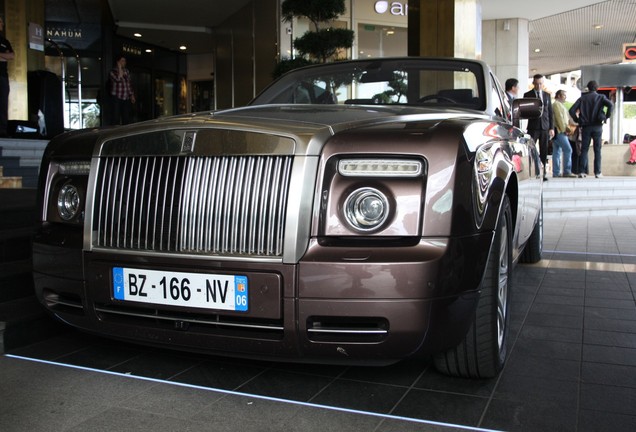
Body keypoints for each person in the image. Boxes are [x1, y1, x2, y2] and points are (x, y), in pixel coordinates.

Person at [569, 80, 613, 178]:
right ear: (597, 88)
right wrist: (606, 116)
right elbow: (610, 105)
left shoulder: (582, 98)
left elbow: (571, 110)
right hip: (597, 126)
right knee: (597, 150)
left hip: (585, 127)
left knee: (584, 149)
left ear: (588, 88)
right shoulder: (601, 97)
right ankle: (597, 172)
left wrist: (577, 120)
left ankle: (581, 171)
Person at [524, 74, 554, 181]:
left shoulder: (547, 95)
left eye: (540, 84)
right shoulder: (527, 95)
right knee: (531, 149)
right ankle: (533, 171)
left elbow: (550, 112)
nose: (539, 86)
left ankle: (543, 172)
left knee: (544, 150)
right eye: (536, 84)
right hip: (533, 126)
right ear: (533, 83)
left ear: (543, 83)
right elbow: (525, 111)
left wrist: (552, 128)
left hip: (545, 126)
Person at [551, 90, 576, 177]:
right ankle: (566, 171)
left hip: (558, 131)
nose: (565, 97)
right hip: (560, 131)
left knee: (557, 151)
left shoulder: (560, 105)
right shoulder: (556, 104)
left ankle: (556, 172)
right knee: (568, 149)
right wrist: (564, 129)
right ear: (558, 95)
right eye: (564, 95)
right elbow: (559, 118)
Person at [109, 55, 136, 125]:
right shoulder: (113, 71)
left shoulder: (127, 71)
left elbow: (129, 84)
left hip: (126, 97)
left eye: (125, 61)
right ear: (118, 62)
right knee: (116, 117)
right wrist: (119, 68)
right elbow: (118, 79)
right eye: (122, 61)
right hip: (117, 97)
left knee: (126, 118)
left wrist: (132, 95)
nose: (124, 62)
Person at [0, 16, 14, 137]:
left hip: (3, 76)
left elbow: (12, 56)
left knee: (3, 103)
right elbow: (7, 56)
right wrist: (4, 56)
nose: (1, 24)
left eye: (2, 22)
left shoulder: (5, 41)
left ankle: (2, 130)